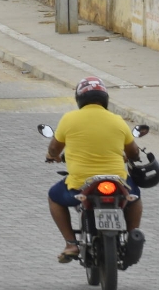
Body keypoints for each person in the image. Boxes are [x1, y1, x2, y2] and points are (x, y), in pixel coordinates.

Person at [44, 76, 143, 263]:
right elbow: (133, 151)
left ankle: (71, 244)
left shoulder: (69, 119)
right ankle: (132, 235)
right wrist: (132, 157)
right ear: (104, 98)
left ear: (79, 99)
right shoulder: (117, 120)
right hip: (117, 181)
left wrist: (52, 156)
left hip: (81, 183)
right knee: (135, 197)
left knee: (53, 197)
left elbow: (54, 149)